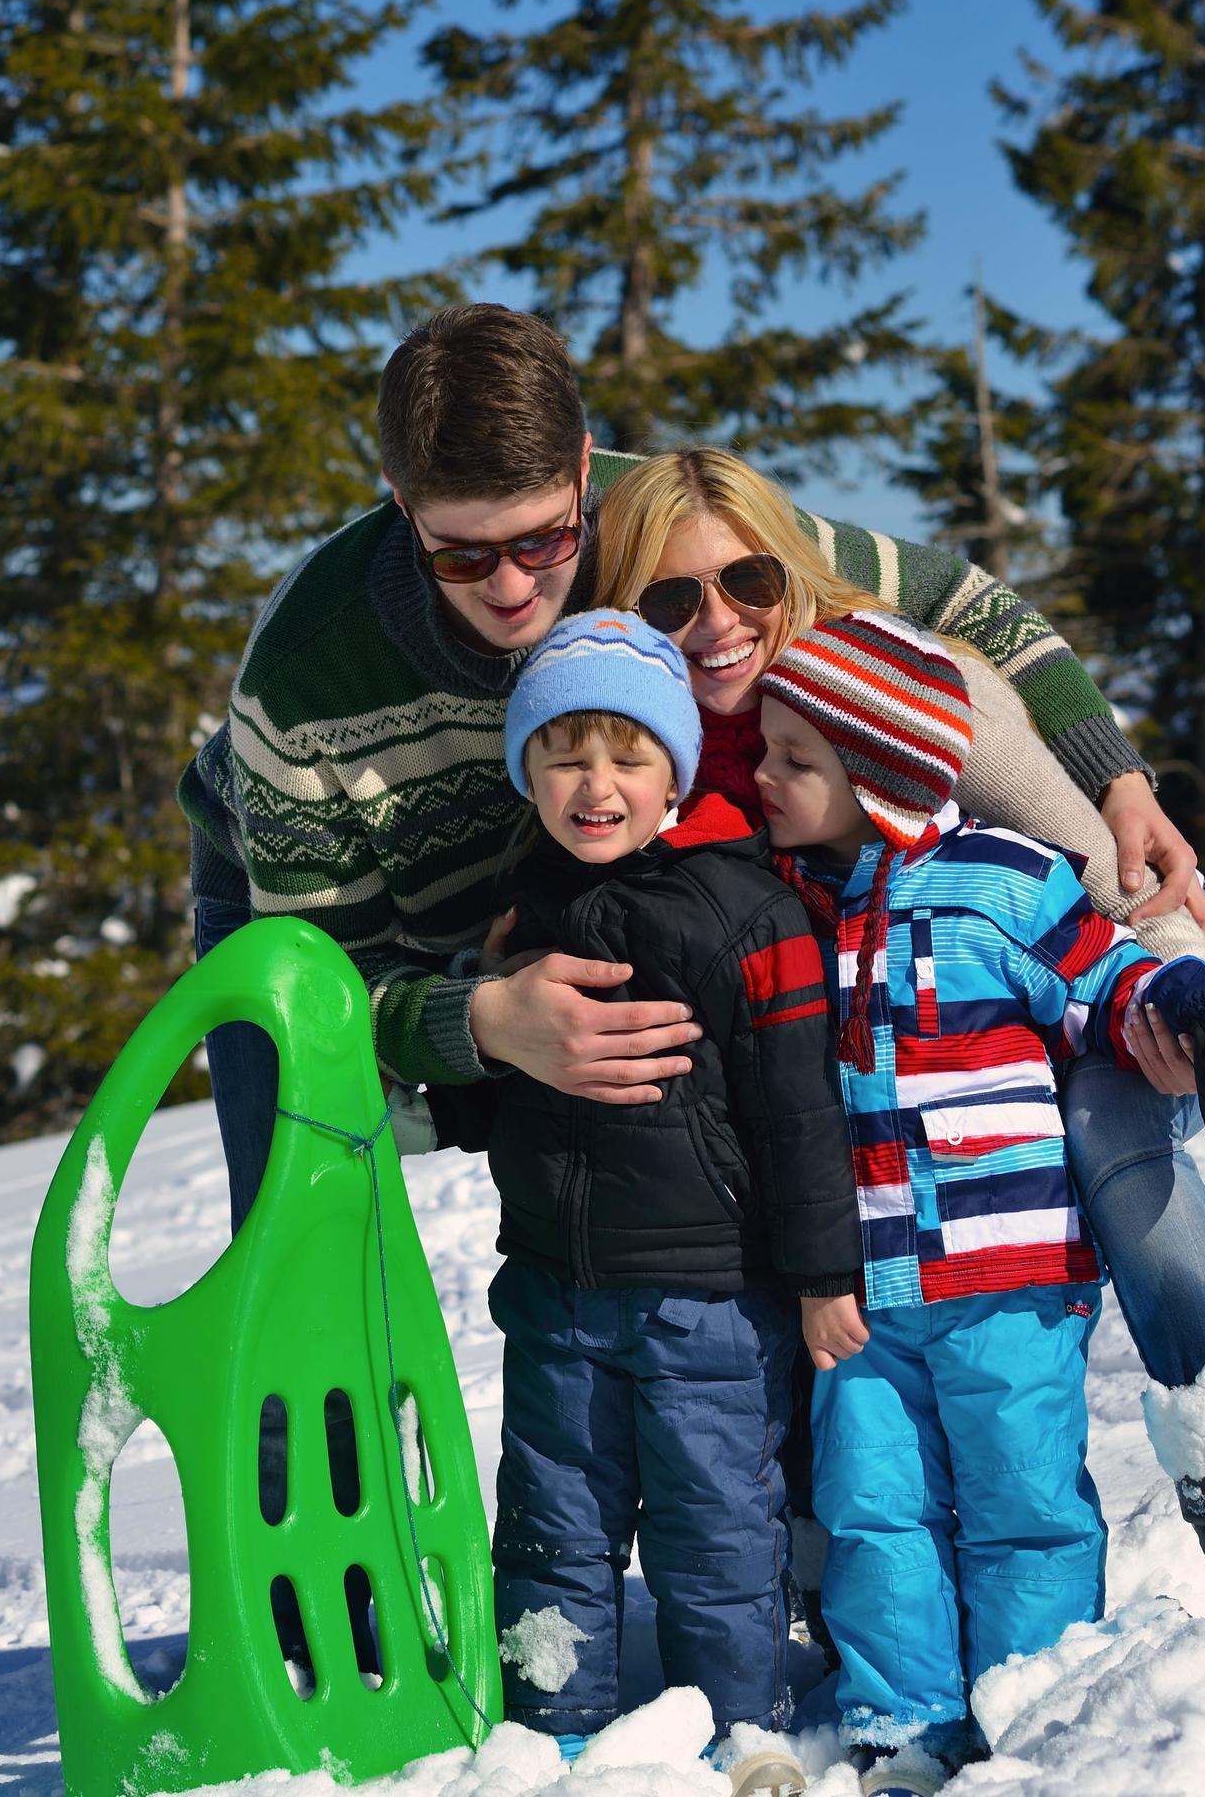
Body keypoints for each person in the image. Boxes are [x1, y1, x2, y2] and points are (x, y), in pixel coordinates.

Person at [178, 302, 1192, 1187]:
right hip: (299, 902)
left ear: (584, 473)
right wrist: (482, 1020)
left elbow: (960, 601)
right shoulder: (305, 677)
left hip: (567, 883)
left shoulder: (658, 524)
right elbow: (334, 992)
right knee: (302, 1199)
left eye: (544, 539)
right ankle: (303, 1415)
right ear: (402, 506)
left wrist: (1115, 776)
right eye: (461, 553)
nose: (513, 586)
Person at [590, 449, 1205, 1612]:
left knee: (1106, 1124)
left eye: (750, 584)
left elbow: (1112, 881)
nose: (719, 623)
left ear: (794, 574)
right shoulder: (651, 752)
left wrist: (1182, 1012)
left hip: (1119, 951)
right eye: (673, 601)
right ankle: (852, 1576)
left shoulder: (894, 687)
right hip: (920, 1014)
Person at [748, 612, 1205, 1783]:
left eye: (795, 757)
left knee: (1021, 1499)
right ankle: (905, 1728)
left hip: (1011, 1278)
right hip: (863, 1295)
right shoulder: (789, 908)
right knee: (874, 1510)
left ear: (879, 774)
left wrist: (1195, 1017)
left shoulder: (1005, 879)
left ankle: (1035, 1710)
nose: (765, 774)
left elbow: (1115, 974)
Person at [428, 611, 856, 1795]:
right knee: (551, 1520)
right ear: (529, 770)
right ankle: (555, 1718)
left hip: (710, 1298)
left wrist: (822, 1277)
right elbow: (484, 1103)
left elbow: (799, 1117)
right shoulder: (524, 910)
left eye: (628, 755)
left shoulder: (746, 912)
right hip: (557, 1292)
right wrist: (480, 1024)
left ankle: (744, 1721)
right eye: (565, 754)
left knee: (716, 1522)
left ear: (675, 769)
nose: (596, 783)